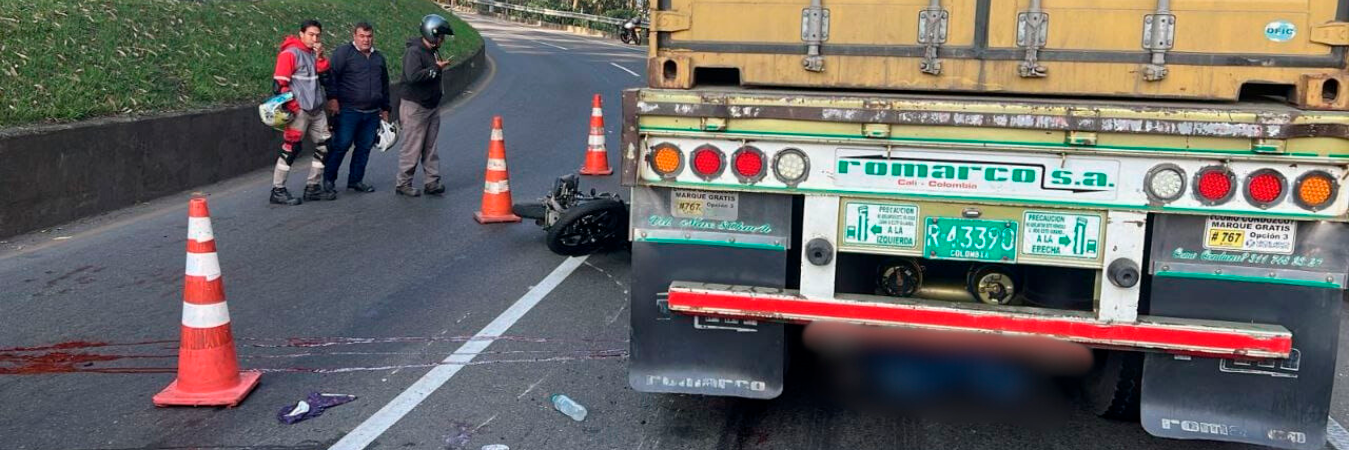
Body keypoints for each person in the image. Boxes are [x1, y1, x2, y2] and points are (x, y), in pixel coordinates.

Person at [323, 21, 391, 196]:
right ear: (354, 36)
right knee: (341, 145)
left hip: (372, 113)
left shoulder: (379, 58)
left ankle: (355, 180)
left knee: (364, 147)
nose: (366, 40)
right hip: (348, 111)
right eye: (362, 36)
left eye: (369, 36)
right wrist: (332, 99)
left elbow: (384, 85)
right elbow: (331, 77)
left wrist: (385, 109)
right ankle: (328, 180)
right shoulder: (343, 53)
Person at [270, 19, 333, 205]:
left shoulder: (313, 53)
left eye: (317, 35)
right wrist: (294, 108)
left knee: (326, 145)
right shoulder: (290, 54)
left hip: (316, 109)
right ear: (301, 34)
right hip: (299, 111)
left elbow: (325, 75)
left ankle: (312, 187)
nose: (314, 38)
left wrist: (320, 57)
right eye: (311, 34)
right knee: (291, 148)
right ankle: (277, 190)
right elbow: (279, 84)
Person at [396, 14, 455, 197]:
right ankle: (403, 183)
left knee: (431, 147)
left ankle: (432, 182)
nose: (443, 40)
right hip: (415, 106)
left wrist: (437, 67)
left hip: (431, 105)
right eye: (441, 36)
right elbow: (413, 77)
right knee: (412, 146)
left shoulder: (432, 51)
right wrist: (436, 68)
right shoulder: (414, 52)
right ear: (431, 34)